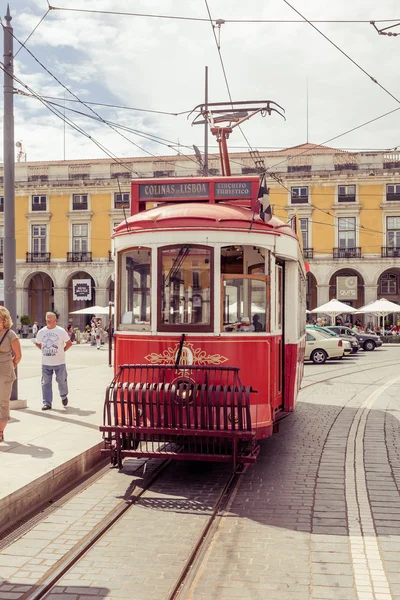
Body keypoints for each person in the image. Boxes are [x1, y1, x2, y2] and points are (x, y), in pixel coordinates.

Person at [35, 312, 72, 411]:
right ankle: (47, 403)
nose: (48, 320)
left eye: (50, 318)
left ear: (55, 319)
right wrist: (44, 350)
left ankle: (63, 396)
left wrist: (62, 351)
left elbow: (69, 343)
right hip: (46, 363)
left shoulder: (61, 331)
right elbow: (37, 343)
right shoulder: (41, 332)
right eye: (47, 318)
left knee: (61, 381)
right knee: (45, 383)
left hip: (59, 362)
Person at [0, 307, 22, 442]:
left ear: (3, 320)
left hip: (5, 371)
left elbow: (18, 356)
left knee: (2, 401)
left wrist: (9, 366)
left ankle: (0, 431)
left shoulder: (10, 334)